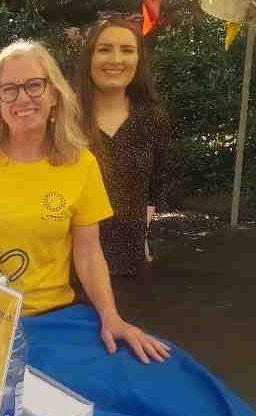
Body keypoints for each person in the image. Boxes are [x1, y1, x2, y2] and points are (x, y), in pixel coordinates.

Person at [0, 40, 169, 364]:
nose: (23, 98)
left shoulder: (81, 164)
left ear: (53, 94)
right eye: (9, 89)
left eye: (34, 85)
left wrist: (111, 316)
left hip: (51, 321)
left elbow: (89, 252)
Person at [75, 18, 169, 287]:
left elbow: (157, 186)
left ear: (139, 59)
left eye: (127, 50)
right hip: (68, 268)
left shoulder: (153, 118)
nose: (116, 59)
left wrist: (144, 233)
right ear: (89, 57)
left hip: (131, 265)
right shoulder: (64, 118)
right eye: (104, 49)